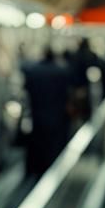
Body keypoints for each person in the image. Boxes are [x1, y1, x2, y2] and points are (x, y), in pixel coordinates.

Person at [21, 47, 74, 179]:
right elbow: (68, 93)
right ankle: (54, 170)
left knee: (37, 144)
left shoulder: (33, 71)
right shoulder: (62, 71)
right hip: (57, 115)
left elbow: (27, 91)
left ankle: (36, 171)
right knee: (54, 146)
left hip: (37, 115)